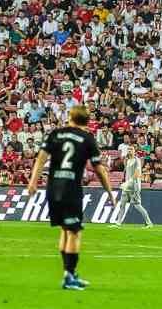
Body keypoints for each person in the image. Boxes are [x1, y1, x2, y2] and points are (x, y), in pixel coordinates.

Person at [27, 105, 113, 291]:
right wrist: (109, 191)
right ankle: (69, 276)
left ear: (70, 117)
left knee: (65, 230)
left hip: (53, 188)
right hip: (71, 189)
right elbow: (98, 168)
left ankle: (70, 273)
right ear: (87, 121)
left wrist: (33, 182)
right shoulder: (87, 139)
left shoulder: (55, 134)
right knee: (74, 231)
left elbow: (41, 159)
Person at [115, 144, 153, 227]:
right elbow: (127, 173)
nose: (129, 151)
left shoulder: (137, 160)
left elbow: (138, 173)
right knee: (122, 204)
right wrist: (124, 182)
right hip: (126, 187)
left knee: (137, 205)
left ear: (134, 151)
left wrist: (129, 182)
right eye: (128, 149)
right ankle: (118, 223)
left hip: (134, 186)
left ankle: (149, 223)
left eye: (131, 149)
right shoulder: (127, 160)